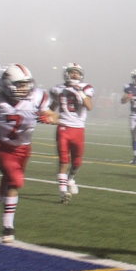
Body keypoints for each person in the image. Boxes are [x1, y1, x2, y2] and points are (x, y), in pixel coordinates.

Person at [0, 64, 57, 243]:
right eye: (20, 84)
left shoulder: (37, 96)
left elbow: (53, 114)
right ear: (7, 85)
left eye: (27, 84)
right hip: (1, 147)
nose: (25, 88)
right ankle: (8, 227)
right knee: (15, 181)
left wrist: (50, 118)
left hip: (23, 149)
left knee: (8, 183)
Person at [49, 63, 94, 203]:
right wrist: (50, 116)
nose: (74, 75)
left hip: (78, 128)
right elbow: (52, 108)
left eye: (76, 72)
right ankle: (63, 192)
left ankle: (70, 179)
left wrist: (79, 91)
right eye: (72, 72)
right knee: (63, 161)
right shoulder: (58, 89)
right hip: (63, 127)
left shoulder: (86, 87)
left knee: (77, 162)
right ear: (66, 74)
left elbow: (89, 106)